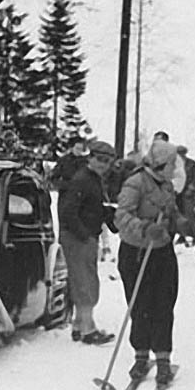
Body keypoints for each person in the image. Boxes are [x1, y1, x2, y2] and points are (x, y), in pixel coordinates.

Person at [115, 140, 195, 385]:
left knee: (164, 304)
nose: (175, 169)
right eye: (171, 164)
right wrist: (145, 228)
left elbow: (173, 215)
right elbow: (121, 216)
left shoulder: (166, 186)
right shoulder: (135, 183)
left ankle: (164, 357)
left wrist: (188, 226)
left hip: (162, 252)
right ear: (160, 163)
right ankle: (141, 355)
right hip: (137, 253)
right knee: (141, 306)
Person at [57, 140, 117, 345]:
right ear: (90, 158)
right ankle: (88, 330)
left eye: (107, 162)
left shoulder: (94, 179)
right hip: (78, 238)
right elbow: (68, 212)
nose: (103, 164)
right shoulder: (82, 179)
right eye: (99, 159)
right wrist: (85, 235)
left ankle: (78, 325)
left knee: (82, 279)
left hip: (83, 235)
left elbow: (95, 206)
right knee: (86, 282)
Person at [174, 145, 195, 246]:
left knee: (190, 214)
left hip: (188, 194)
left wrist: (191, 188)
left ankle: (194, 236)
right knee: (179, 215)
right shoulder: (175, 164)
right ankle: (182, 235)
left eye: (182, 153)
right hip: (177, 193)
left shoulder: (191, 164)